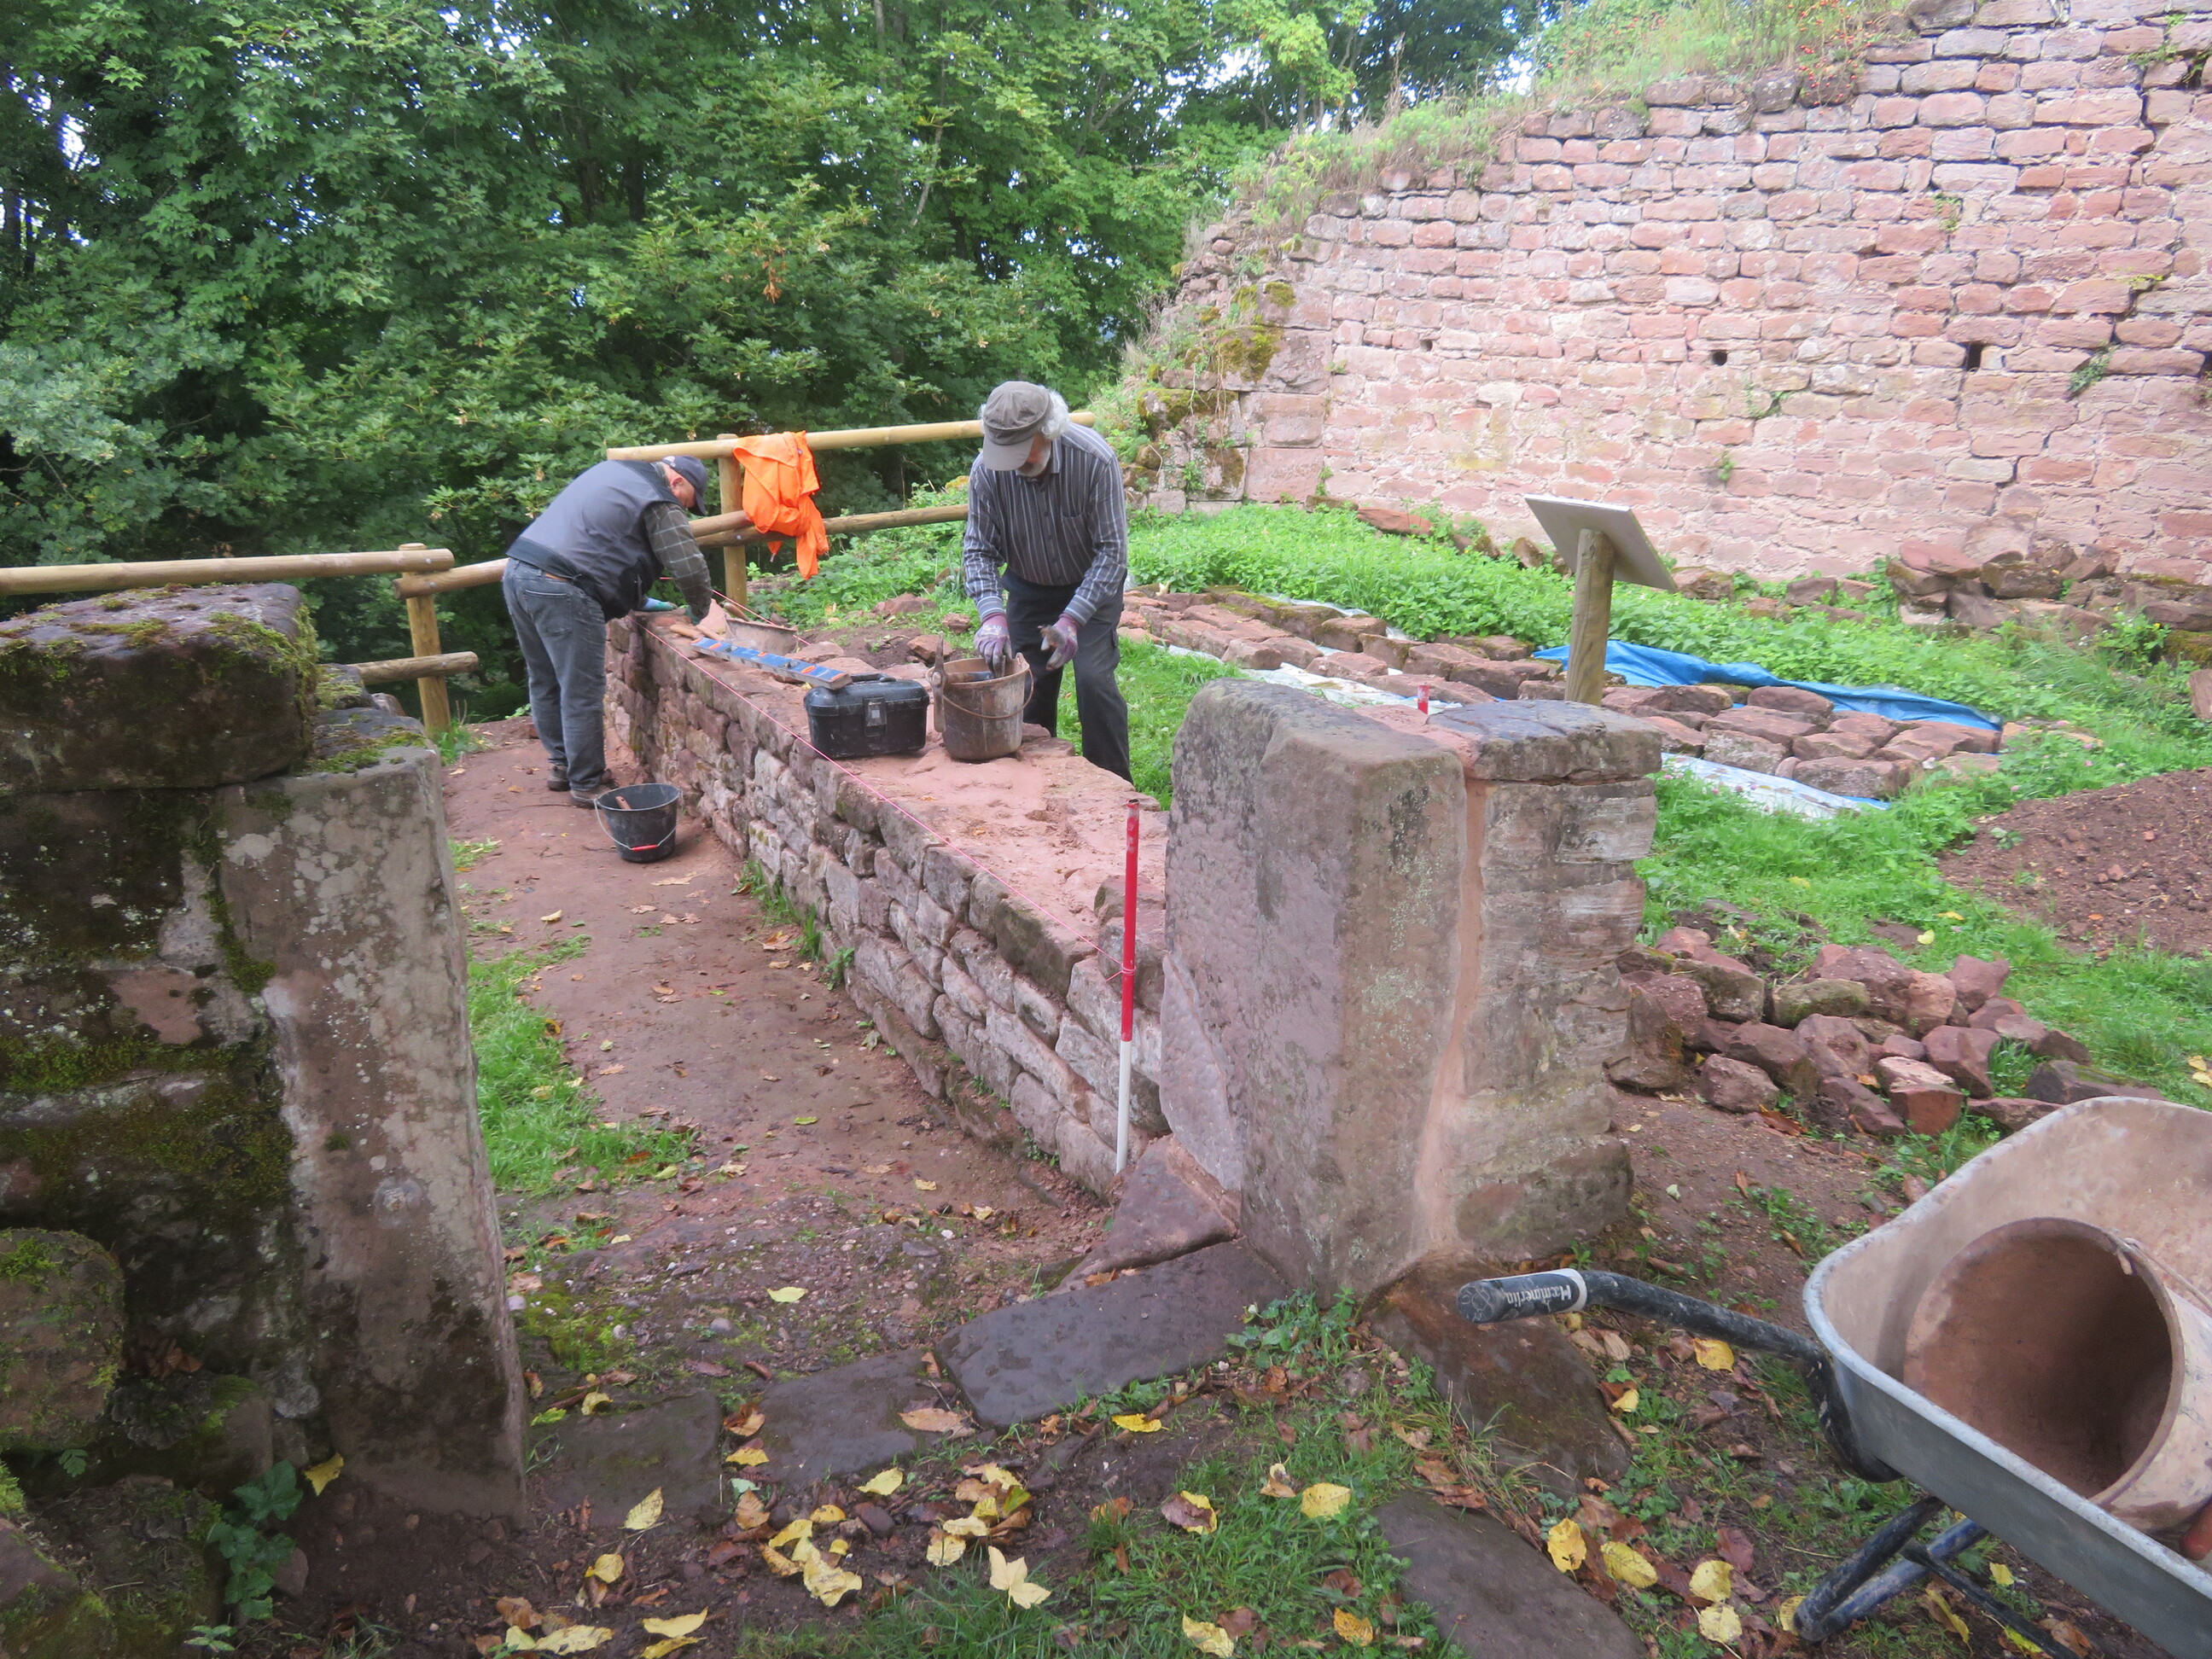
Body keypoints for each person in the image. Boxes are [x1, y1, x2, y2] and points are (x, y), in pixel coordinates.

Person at [502, 455, 737, 806]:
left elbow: (602, 542)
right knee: (581, 689)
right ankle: (586, 782)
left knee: (545, 678)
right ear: (677, 482)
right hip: (562, 587)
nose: (684, 510)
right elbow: (688, 566)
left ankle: (563, 766)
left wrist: (639, 600)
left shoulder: (614, 472)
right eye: (688, 502)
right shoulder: (659, 497)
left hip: (519, 573)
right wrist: (702, 610)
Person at [960, 381, 1131, 781]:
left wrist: (1071, 620)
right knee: (1025, 689)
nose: (1013, 463)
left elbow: (1112, 553)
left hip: (1091, 588)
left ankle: (1116, 789)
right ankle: (1033, 788)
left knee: (1094, 683)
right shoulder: (986, 470)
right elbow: (978, 550)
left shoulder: (1095, 460)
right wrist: (993, 617)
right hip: (1028, 587)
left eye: (1022, 451)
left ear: (1048, 431)